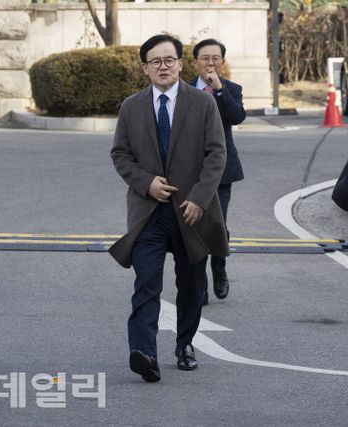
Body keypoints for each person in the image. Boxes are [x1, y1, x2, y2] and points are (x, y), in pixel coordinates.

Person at [109, 34, 228, 382]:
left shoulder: (203, 103)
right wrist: (146, 182)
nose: (163, 67)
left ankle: (185, 344)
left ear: (180, 64)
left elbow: (216, 154)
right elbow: (120, 154)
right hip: (149, 212)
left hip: (192, 211)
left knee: (191, 285)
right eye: (156, 61)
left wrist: (200, 198)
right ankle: (144, 352)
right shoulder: (131, 107)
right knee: (146, 282)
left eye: (169, 60)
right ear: (145, 68)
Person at [190, 38, 246, 305]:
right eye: (205, 58)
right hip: (190, 170)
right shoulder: (183, 90)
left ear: (222, 62)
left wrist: (220, 89)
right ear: (195, 63)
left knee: (218, 225)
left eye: (215, 58)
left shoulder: (232, 89)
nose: (210, 63)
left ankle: (219, 266)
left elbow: (237, 117)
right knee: (194, 227)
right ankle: (198, 283)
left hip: (222, 170)